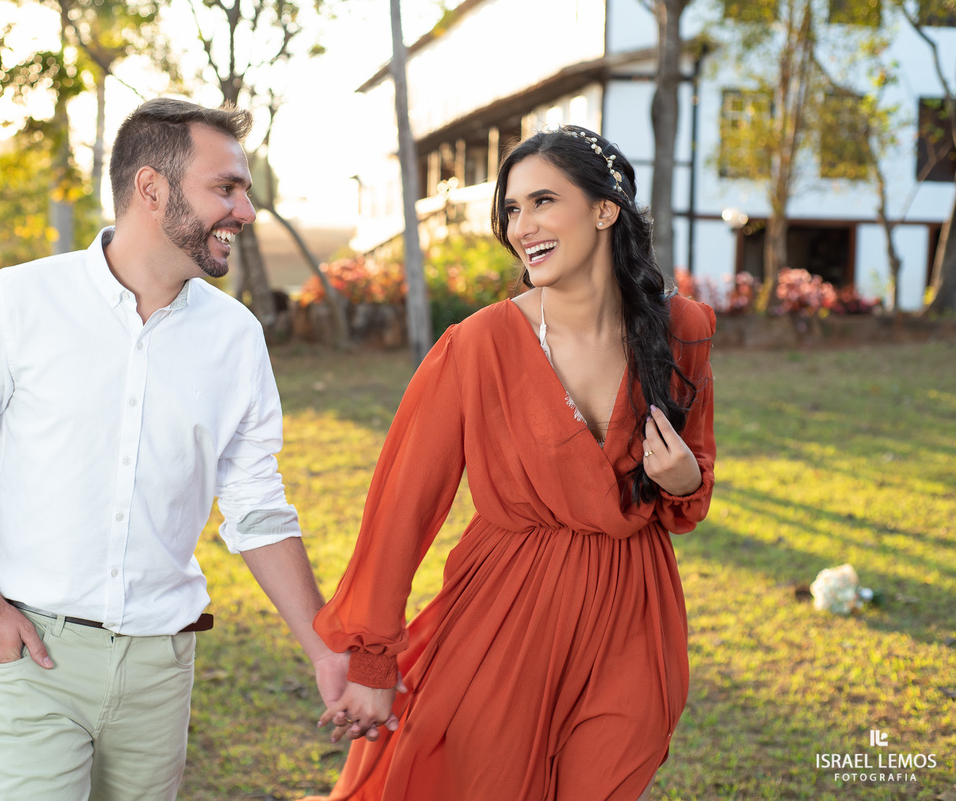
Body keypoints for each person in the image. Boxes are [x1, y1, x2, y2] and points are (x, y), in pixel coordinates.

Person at [0, 97, 351, 801]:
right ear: (151, 188)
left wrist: (324, 648)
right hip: (32, 656)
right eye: (225, 188)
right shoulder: (18, 302)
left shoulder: (236, 338)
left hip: (161, 668)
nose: (246, 212)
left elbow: (256, 508)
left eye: (244, 192)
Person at [304, 125, 716, 801]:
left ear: (605, 209)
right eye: (512, 210)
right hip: (504, 609)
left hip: (633, 610)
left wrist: (684, 480)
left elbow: (691, 479)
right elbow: (404, 507)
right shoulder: (477, 345)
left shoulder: (683, 329)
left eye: (543, 201)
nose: (521, 226)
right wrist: (373, 660)